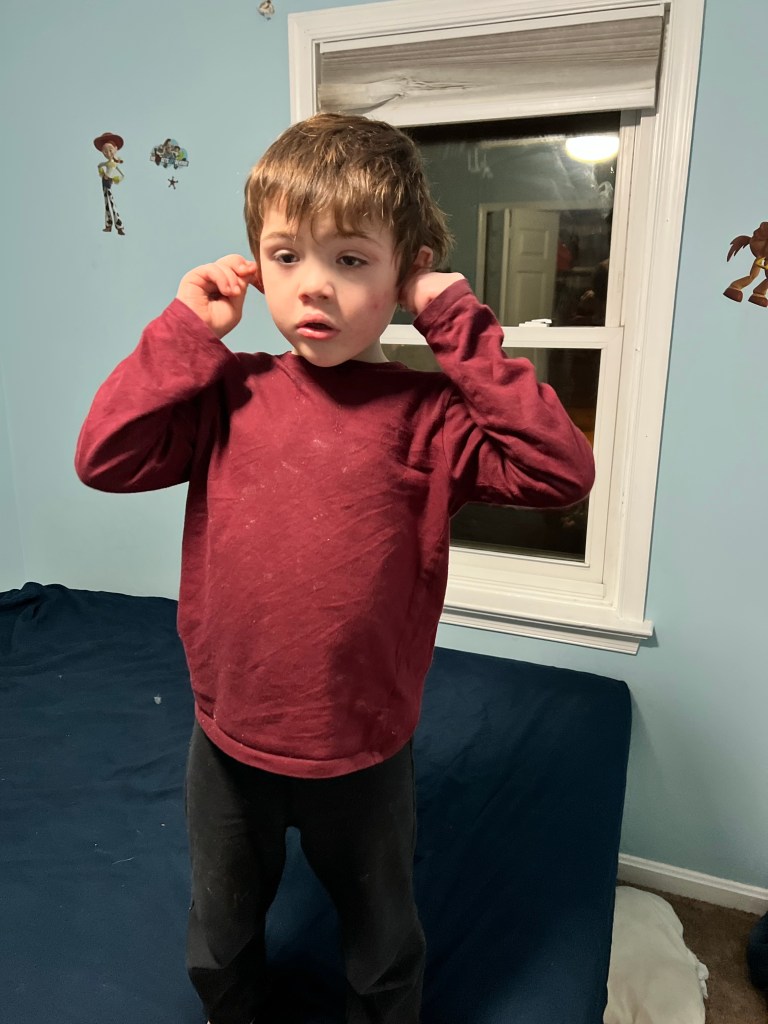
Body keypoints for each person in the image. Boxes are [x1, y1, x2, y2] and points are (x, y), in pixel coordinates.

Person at [75, 112, 595, 1024]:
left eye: (352, 260)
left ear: (406, 273)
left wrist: (455, 323)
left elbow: (560, 470)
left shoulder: (433, 417)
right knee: (220, 934)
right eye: (286, 256)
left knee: (383, 942)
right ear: (257, 263)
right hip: (229, 737)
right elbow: (104, 457)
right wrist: (184, 332)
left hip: (363, 747)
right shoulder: (227, 390)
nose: (313, 285)